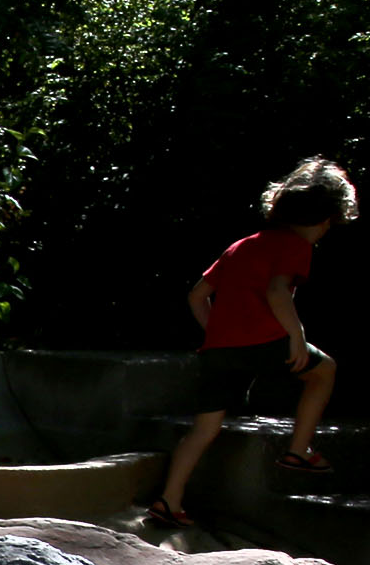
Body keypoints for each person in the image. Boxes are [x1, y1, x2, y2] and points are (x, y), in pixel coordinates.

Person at [151, 156, 354, 529]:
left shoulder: (241, 245)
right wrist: (297, 335)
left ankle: (169, 500)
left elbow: (196, 296)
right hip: (266, 341)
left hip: (219, 352)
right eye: (327, 225)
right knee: (324, 371)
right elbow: (279, 291)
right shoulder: (296, 245)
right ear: (323, 220)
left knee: (203, 430)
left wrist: (218, 334)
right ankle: (298, 450)